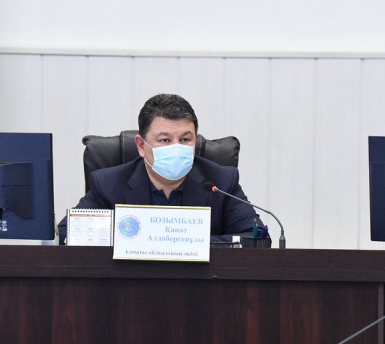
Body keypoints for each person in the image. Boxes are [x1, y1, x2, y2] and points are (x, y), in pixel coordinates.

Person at [57, 94, 263, 244]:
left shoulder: (221, 181)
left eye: (185, 139)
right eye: (165, 140)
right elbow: (68, 233)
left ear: (195, 141)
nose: (176, 147)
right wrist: (143, 241)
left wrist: (185, 244)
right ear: (141, 146)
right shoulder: (108, 184)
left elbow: (256, 238)